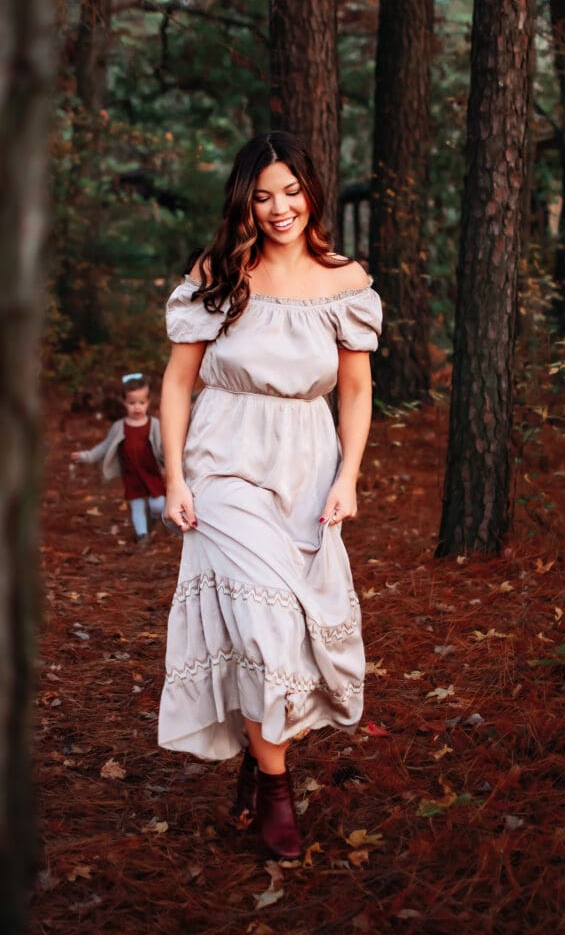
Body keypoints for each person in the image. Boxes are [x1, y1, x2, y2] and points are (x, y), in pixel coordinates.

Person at [158, 131, 382, 860]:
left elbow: (354, 389)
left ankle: (259, 763)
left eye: (290, 191)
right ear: (244, 203)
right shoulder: (220, 271)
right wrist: (175, 478)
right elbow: (177, 381)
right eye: (262, 196)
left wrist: (348, 475)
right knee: (265, 629)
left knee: (291, 633)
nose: (278, 207)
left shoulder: (342, 279)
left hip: (308, 464)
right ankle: (278, 793)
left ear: (310, 192)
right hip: (224, 460)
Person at [71, 373, 166, 544]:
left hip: (151, 472)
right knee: (136, 506)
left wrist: (171, 459)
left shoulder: (154, 425)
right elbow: (105, 446)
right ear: (124, 403)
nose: (137, 407)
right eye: (132, 403)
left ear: (148, 402)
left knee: (158, 504)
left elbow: (163, 447)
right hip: (132, 474)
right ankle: (141, 535)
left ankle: (153, 517)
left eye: (141, 403)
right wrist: (87, 456)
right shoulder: (119, 427)